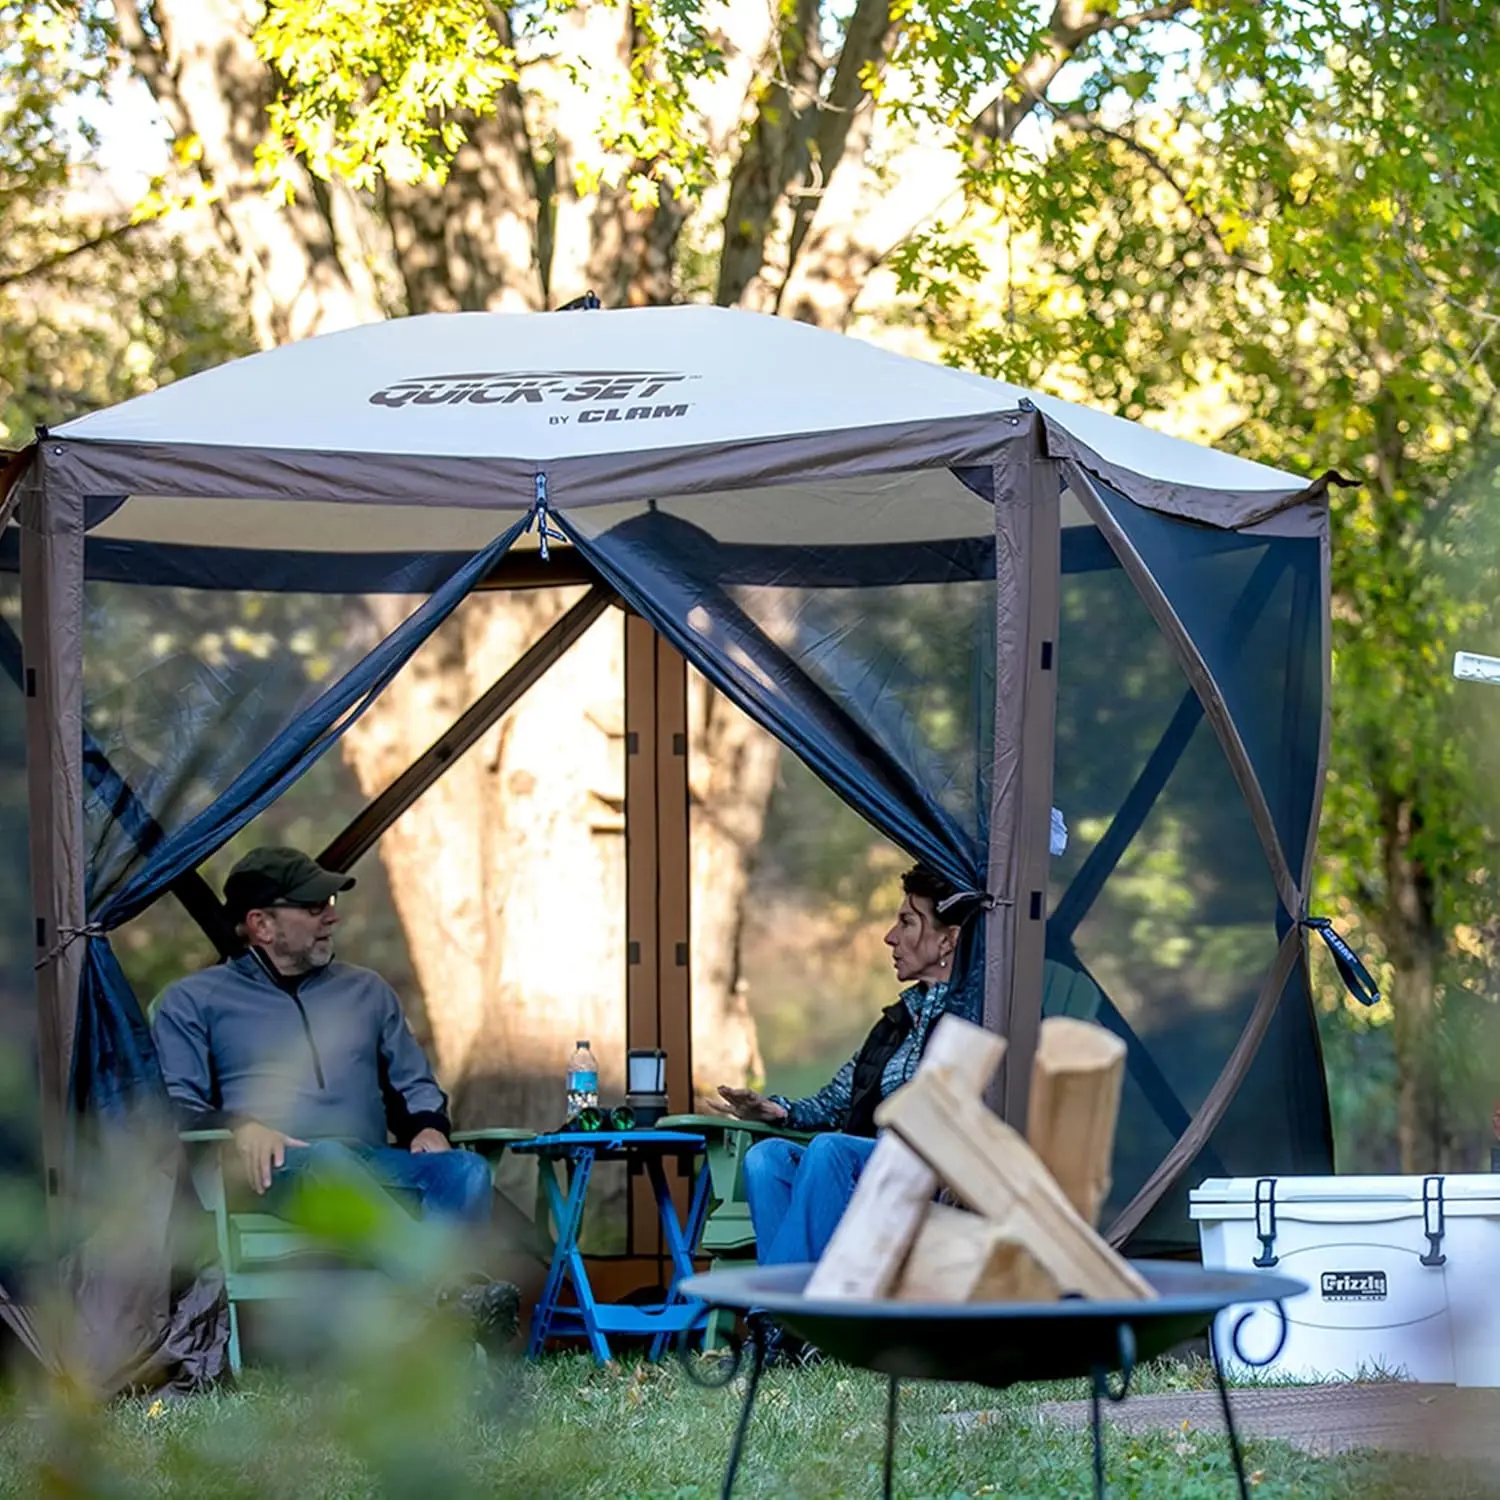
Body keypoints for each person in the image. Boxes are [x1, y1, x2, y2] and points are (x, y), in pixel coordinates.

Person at [152, 845, 518, 1348]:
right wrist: (241, 1124)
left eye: (328, 902)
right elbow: (179, 1104)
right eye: (312, 907)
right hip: (269, 1172)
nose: (332, 915)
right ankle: (454, 1297)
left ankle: (437, 1320)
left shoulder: (367, 992)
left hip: (368, 1161)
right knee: (326, 1160)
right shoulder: (193, 1002)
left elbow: (413, 1084)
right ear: (261, 924)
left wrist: (428, 1127)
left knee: (466, 1171)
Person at [717, 863, 978, 1270]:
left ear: (948, 941)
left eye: (907, 922)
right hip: (868, 1174)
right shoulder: (895, 1025)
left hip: (928, 1181)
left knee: (830, 1149)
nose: (890, 937)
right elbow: (835, 1101)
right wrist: (778, 1110)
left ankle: (778, 1317)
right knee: (765, 1159)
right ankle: (789, 1322)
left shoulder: (974, 1021)